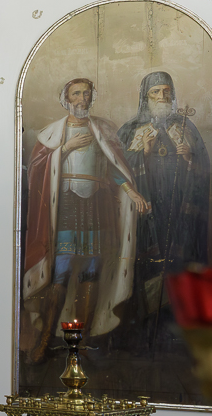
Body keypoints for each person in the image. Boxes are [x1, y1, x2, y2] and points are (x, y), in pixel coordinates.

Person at [21, 78, 149, 362]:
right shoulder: (52, 133)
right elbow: (36, 170)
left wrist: (132, 192)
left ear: (92, 97)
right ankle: (45, 341)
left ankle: (82, 341)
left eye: (86, 93)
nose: (82, 98)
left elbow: (114, 168)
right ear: (66, 99)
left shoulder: (102, 129)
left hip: (95, 206)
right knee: (61, 271)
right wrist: (65, 148)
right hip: (64, 206)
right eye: (76, 93)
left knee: (92, 270)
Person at [117, 71, 211, 350]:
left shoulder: (185, 126)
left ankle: (175, 330)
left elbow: (204, 171)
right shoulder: (131, 128)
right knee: (145, 264)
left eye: (166, 92)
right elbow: (116, 168)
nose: (162, 97)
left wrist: (189, 158)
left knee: (178, 264)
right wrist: (143, 153)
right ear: (145, 97)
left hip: (178, 208)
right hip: (145, 209)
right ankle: (142, 329)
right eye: (155, 92)